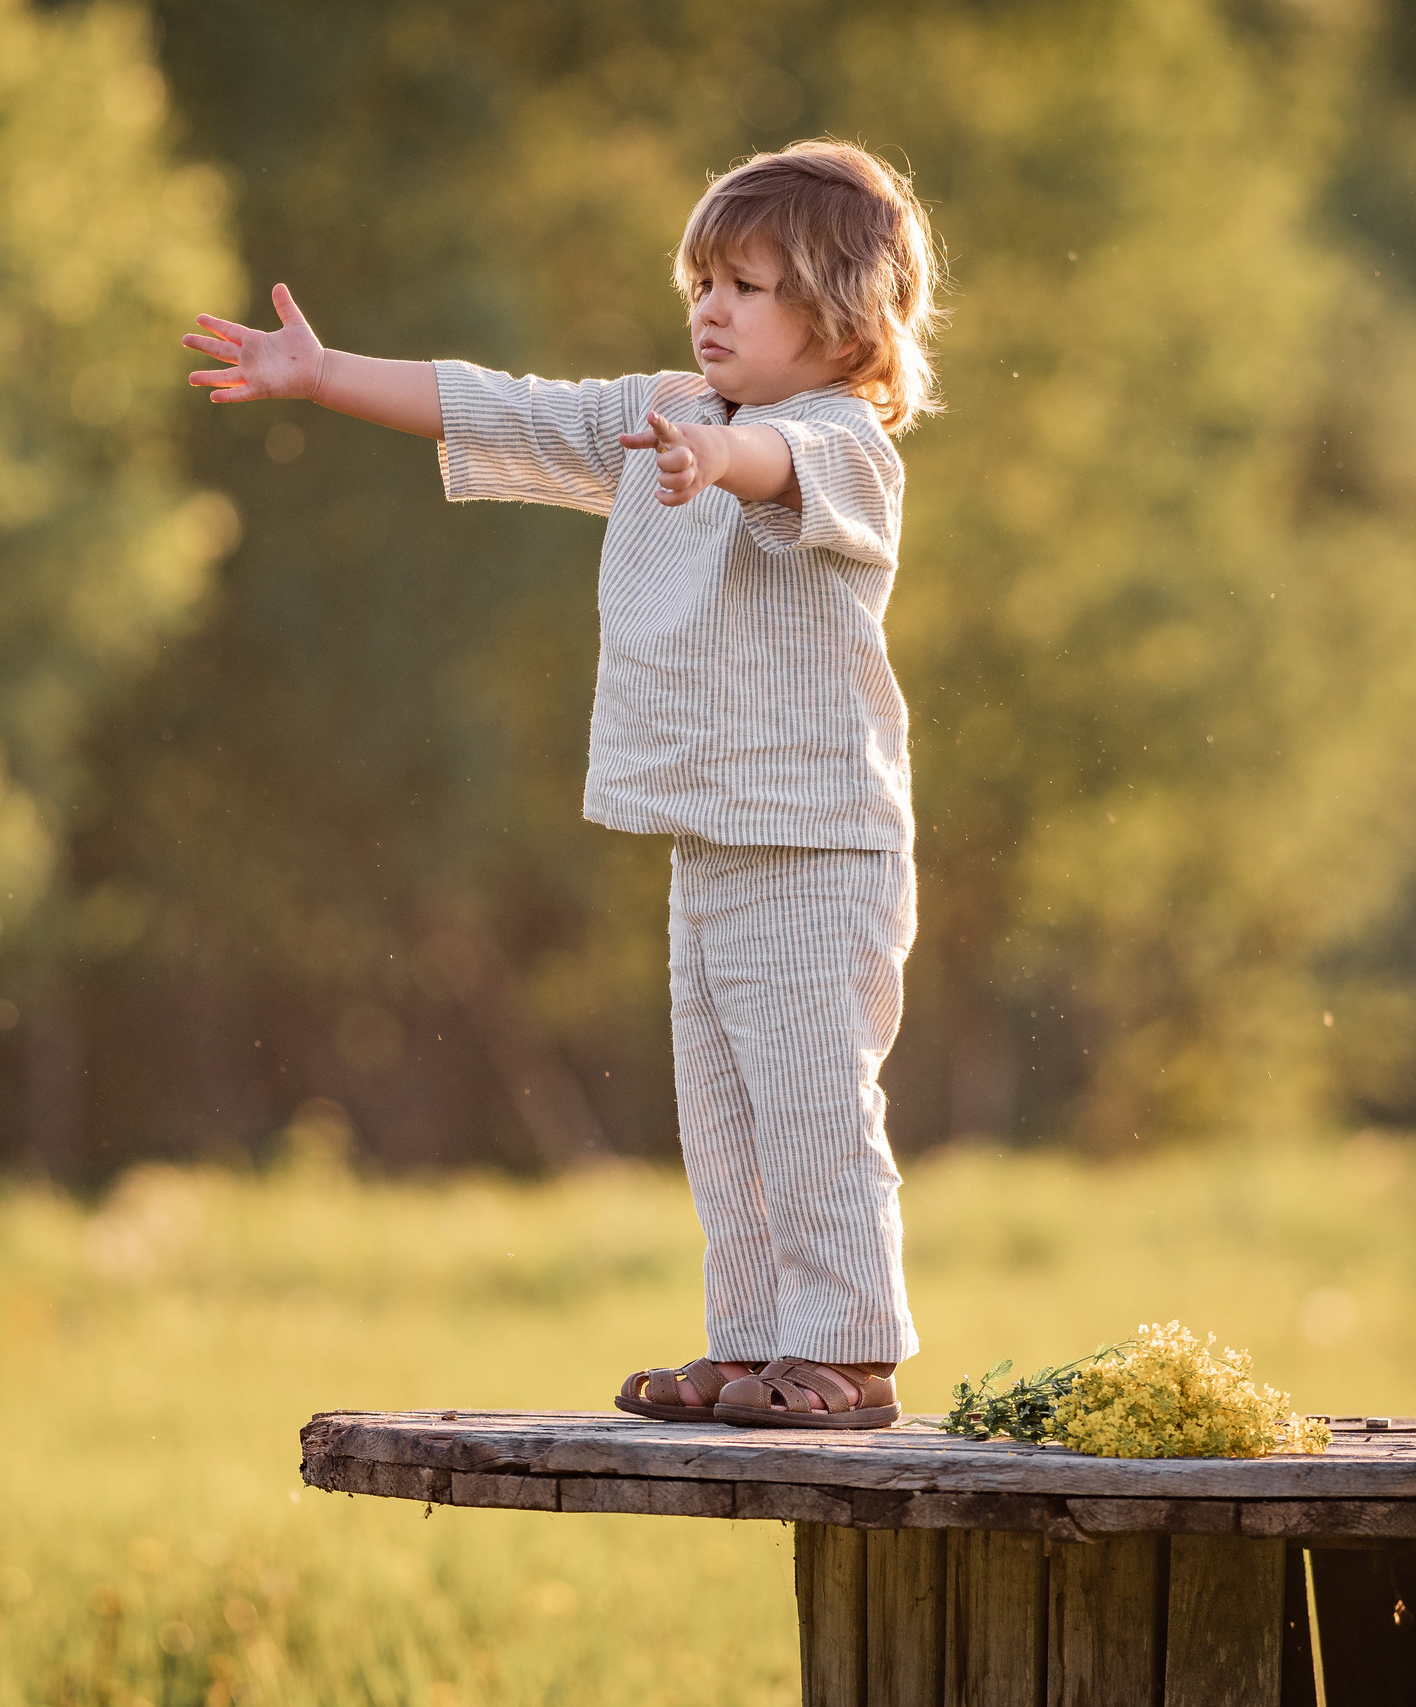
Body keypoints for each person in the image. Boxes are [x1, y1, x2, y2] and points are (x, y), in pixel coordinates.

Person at [181, 140, 945, 1430]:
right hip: (709, 843)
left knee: (814, 1100)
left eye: (747, 286)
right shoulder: (666, 415)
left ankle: (851, 1355)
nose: (709, 306)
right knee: (727, 1115)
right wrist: (321, 377)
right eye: (701, 280)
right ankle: (758, 1344)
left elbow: (781, 471)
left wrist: (721, 464)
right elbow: (504, 408)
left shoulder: (843, 442)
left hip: (823, 848)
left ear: (841, 317)